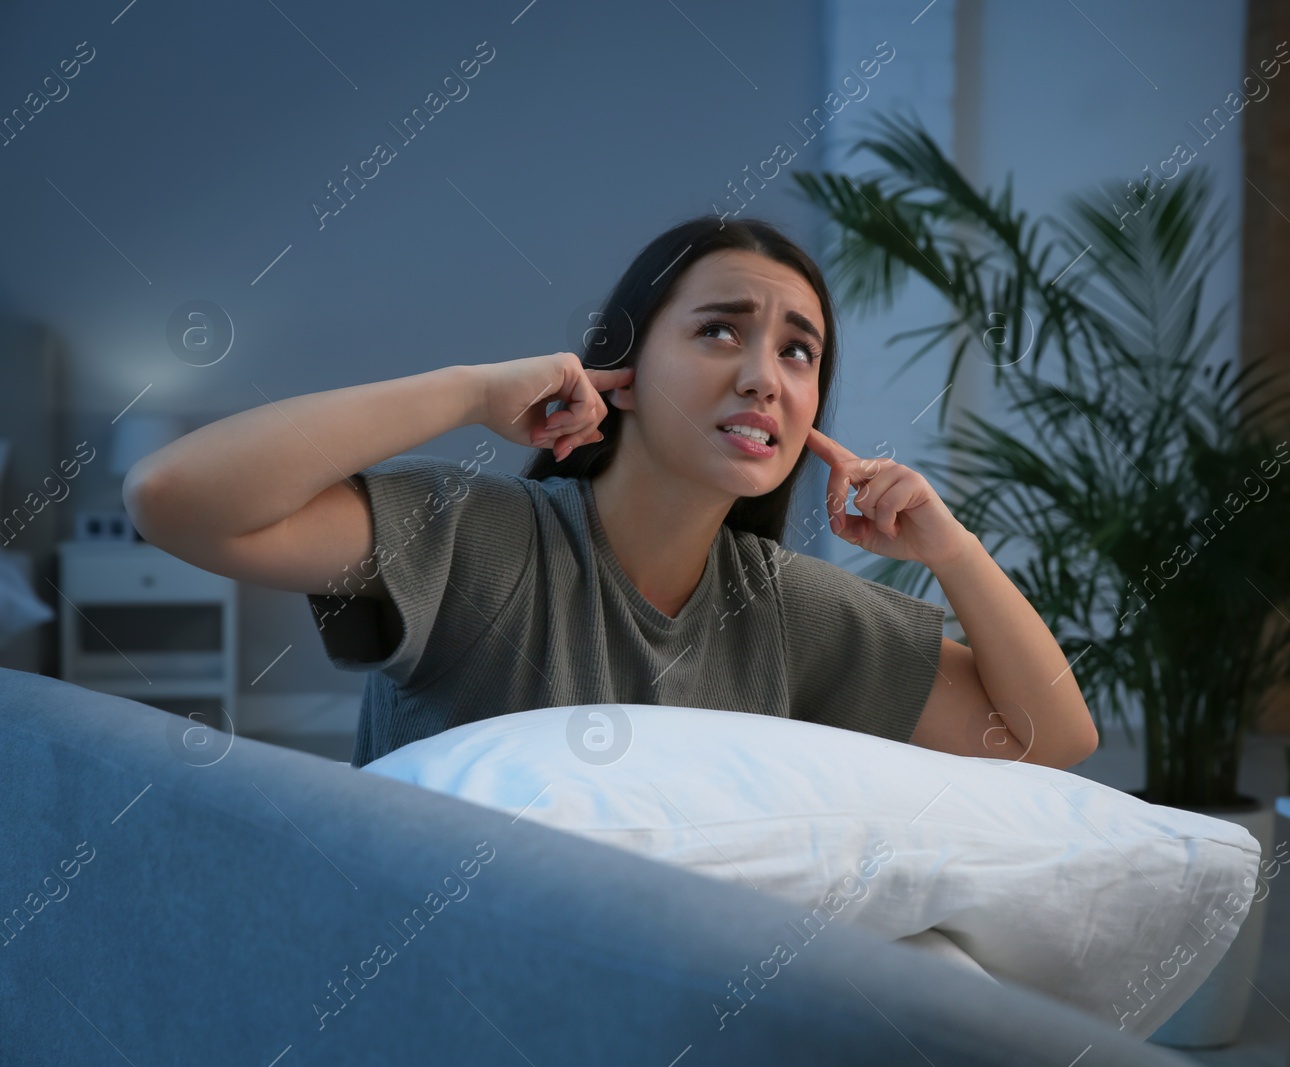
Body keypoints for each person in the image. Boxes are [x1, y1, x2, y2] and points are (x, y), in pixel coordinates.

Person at [124, 216, 1096, 770]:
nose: (766, 374)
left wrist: (951, 549)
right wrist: (468, 391)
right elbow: (172, 495)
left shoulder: (792, 608)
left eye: (799, 350)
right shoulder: (476, 535)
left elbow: (1052, 737)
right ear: (621, 365)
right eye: (721, 329)